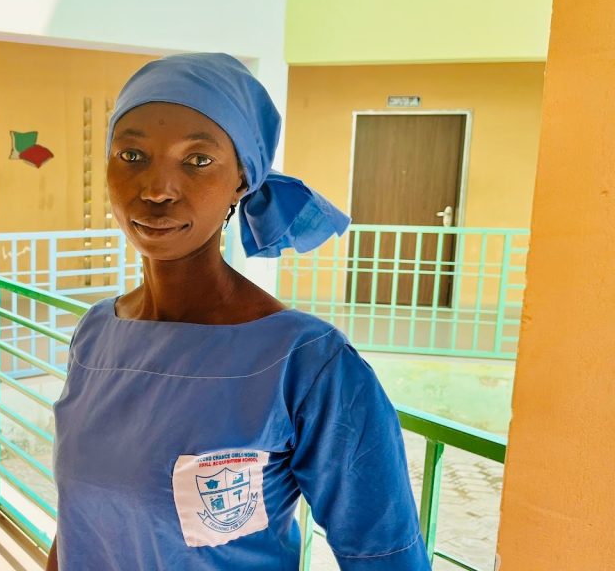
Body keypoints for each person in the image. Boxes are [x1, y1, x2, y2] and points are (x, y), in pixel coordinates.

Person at [48, 53, 430, 570]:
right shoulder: (96, 335)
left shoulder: (306, 365)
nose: (157, 189)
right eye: (132, 155)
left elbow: (387, 556)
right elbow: (77, 529)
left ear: (242, 181)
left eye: (197, 160)